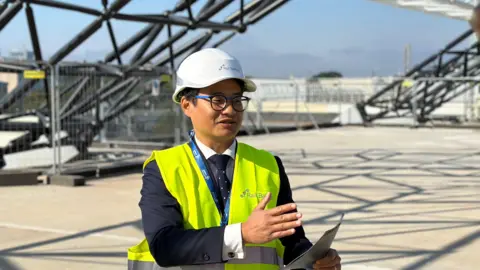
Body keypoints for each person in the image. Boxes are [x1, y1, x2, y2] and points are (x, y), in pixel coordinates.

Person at [127, 48, 342, 270]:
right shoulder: (163, 168)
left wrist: (314, 261)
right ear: (186, 104)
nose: (230, 109)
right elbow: (164, 246)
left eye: (237, 99)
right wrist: (242, 234)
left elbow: (292, 241)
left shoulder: (269, 166)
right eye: (217, 100)